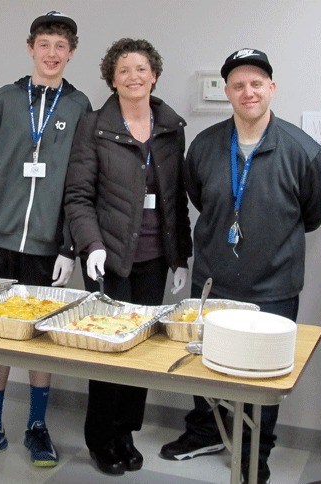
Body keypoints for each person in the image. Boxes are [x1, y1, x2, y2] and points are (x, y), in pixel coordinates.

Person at [159, 48, 321, 483]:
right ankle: (204, 433)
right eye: (238, 85)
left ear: (271, 88)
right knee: (204, 362)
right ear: (228, 93)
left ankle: (257, 450)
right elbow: (198, 198)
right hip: (213, 280)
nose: (248, 92)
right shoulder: (205, 146)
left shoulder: (304, 152)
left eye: (257, 83)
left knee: (264, 378)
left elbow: (313, 214)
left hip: (273, 287)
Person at [0, 11, 91, 467]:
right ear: (30, 47)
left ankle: (37, 425)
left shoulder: (79, 106)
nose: (52, 53)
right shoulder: (4, 99)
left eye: (61, 46)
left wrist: (70, 246)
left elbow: (80, 184)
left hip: (48, 250)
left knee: (41, 338)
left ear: (71, 53)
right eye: (45, 44)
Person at [64, 38, 192, 475]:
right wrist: (91, 245)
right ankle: (101, 437)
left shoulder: (172, 128)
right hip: (109, 256)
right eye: (124, 71)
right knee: (109, 349)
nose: (133, 77)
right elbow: (78, 196)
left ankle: (126, 432)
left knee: (139, 350)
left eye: (141, 69)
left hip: (155, 258)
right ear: (112, 79)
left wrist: (181, 257)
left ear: (154, 75)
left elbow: (175, 200)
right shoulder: (93, 125)